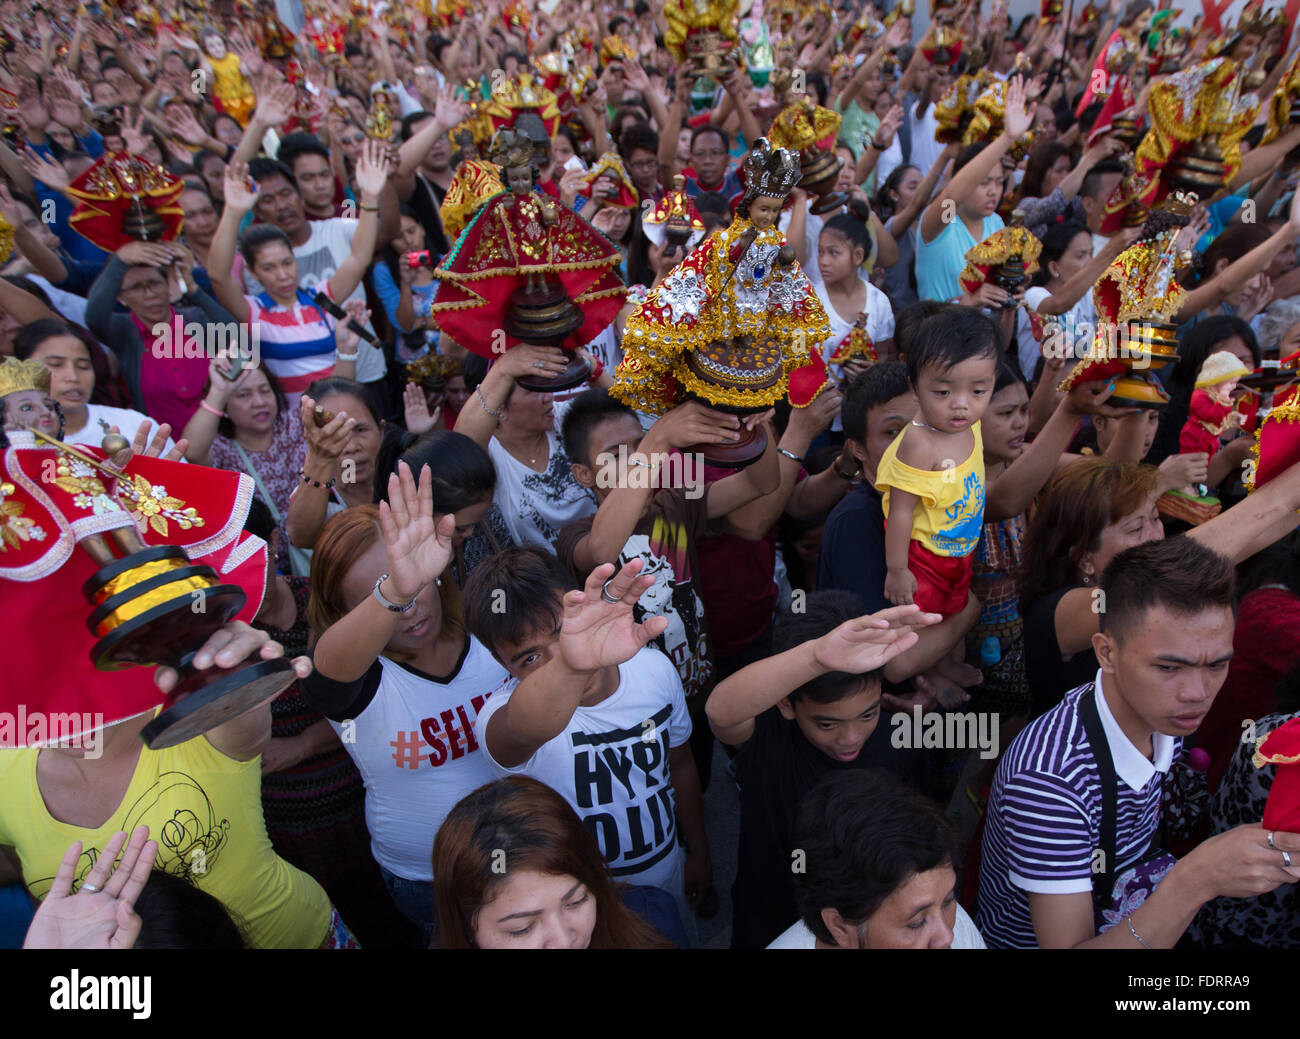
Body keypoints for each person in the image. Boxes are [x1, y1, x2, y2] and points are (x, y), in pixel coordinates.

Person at [978, 537, 1300, 949]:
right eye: (1169, 667)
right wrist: (1196, 878)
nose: (1197, 693)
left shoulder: (1157, 714)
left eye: (1218, 664)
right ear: (1106, 653)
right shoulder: (1050, 782)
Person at [301, 463, 508, 944]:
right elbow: (321, 672)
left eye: (417, 583)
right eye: (379, 599)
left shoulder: (488, 623)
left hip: (524, 850)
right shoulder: (354, 677)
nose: (409, 608)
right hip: (429, 885)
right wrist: (394, 589)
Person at [462, 550, 709, 941]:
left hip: (667, 874)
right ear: (501, 665)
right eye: (529, 658)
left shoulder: (655, 671)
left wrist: (697, 851)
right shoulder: (501, 716)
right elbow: (518, 732)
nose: (560, 657)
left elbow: (680, 767)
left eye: (563, 632)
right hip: (581, 913)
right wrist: (574, 666)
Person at [707, 591, 938, 948]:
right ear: (786, 703)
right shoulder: (770, 740)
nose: (850, 737)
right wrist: (816, 657)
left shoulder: (903, 743)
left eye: (868, 714)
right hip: (772, 914)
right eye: (827, 724)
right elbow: (721, 711)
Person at [208, 154, 386, 400]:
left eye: (287, 263)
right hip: (292, 428)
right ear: (252, 273)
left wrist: (370, 196)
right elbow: (218, 276)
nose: (282, 275)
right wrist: (233, 211)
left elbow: (359, 258)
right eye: (269, 268)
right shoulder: (254, 311)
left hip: (336, 412)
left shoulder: (320, 298)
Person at [433, 776, 681, 949]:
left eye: (576, 901)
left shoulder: (653, 921)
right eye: (522, 928)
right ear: (466, 927)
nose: (563, 941)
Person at [770, 770, 986, 949]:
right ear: (840, 927)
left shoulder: (949, 923)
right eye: (917, 923)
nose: (948, 937)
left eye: (948, 901)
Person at [877, 307, 998, 617]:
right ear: (915, 386)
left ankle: (946, 663)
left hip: (961, 546)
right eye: (943, 391)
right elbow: (901, 512)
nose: (961, 404)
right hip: (927, 558)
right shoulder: (919, 444)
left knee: (954, 607)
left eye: (978, 391)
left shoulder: (969, 422)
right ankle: (927, 666)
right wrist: (897, 569)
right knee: (922, 618)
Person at [916, 78, 1030, 303]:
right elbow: (951, 196)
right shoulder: (946, 222)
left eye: (998, 182)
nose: (993, 191)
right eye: (984, 182)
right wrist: (1007, 139)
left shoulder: (996, 223)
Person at [13, 319, 175, 452]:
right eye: (56, 364)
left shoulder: (135, 426)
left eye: (83, 366)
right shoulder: (8, 441)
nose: (73, 377)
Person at [286, 376, 387, 551]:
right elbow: (299, 537)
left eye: (360, 430)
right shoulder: (313, 493)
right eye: (335, 433)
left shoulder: (403, 477)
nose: (351, 446)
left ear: (381, 430)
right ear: (313, 440)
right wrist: (320, 459)